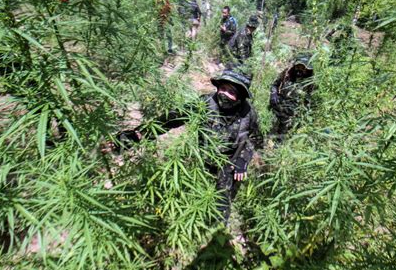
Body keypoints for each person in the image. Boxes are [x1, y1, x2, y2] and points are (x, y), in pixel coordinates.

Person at [106, 70, 262, 222]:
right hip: (201, 160)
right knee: (193, 193)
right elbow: (169, 120)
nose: (225, 94)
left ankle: (215, 232)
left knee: (221, 206)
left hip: (228, 162)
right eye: (223, 88)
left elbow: (255, 139)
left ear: (241, 97)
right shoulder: (206, 104)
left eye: (232, 92)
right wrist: (131, 138)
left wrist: (242, 161)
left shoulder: (248, 114)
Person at [269, 55, 314, 139]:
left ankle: (279, 146)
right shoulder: (287, 73)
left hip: (293, 112)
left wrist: (304, 113)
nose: (299, 70)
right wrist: (273, 94)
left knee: (283, 135)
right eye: (298, 66)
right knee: (269, 128)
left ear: (307, 69)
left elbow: (310, 101)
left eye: (303, 68)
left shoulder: (310, 82)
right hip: (278, 106)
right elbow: (275, 84)